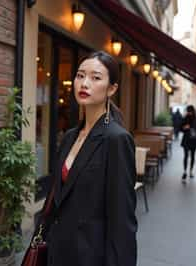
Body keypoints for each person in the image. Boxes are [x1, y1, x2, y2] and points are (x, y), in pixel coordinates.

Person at [31, 51, 137, 266]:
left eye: (95, 78)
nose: (84, 83)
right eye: (80, 75)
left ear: (112, 89)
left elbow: (122, 222)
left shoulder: (116, 139)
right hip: (56, 252)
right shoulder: (70, 136)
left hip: (89, 257)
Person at [181, 105, 196, 182]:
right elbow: (180, 128)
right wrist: (185, 128)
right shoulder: (185, 118)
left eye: (190, 111)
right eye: (188, 111)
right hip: (186, 139)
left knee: (193, 156)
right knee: (186, 155)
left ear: (193, 111)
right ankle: (185, 171)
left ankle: (190, 171)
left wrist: (194, 129)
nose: (189, 112)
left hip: (194, 139)